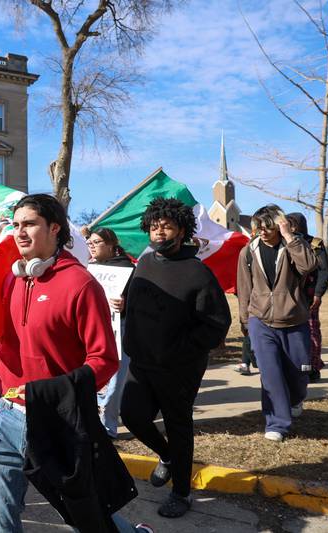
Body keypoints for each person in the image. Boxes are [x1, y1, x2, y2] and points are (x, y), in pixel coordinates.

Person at [0, 194, 149, 533]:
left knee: (86, 512)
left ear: (54, 229)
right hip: (6, 414)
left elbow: (104, 359)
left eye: (29, 224)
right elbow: (6, 343)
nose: (19, 232)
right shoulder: (15, 279)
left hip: (55, 420)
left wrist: (58, 395)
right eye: (16, 225)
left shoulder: (81, 284)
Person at [121, 197, 231, 519]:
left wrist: (181, 349)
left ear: (181, 230)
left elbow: (216, 324)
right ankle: (168, 456)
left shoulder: (198, 273)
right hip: (141, 363)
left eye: (166, 226)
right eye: (154, 227)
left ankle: (181, 492)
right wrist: (124, 305)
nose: (158, 232)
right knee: (133, 416)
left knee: (178, 427)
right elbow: (137, 300)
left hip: (179, 369)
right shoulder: (143, 263)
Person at [237, 206, 317, 443]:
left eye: (266, 226)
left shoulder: (293, 246)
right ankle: (277, 423)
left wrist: (290, 237)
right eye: (257, 227)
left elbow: (308, 266)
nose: (261, 231)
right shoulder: (248, 252)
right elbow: (244, 289)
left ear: (278, 225)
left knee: (299, 374)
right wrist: (245, 320)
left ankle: (295, 399)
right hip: (261, 320)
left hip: (294, 320)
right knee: (270, 374)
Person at [87, 227, 134, 439]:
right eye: (90, 243)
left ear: (110, 245)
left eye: (96, 242)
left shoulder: (127, 269)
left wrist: (125, 304)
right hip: (92, 330)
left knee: (115, 378)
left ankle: (108, 427)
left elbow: (140, 302)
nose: (92, 246)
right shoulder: (88, 269)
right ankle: (92, 421)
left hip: (119, 330)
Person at [286, 212, 328, 382]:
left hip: (309, 297)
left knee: (312, 332)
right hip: (290, 297)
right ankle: (297, 367)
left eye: (289, 224)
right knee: (293, 334)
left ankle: (313, 368)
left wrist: (318, 294)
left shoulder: (315, 244)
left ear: (296, 225)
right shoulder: (286, 243)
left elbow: (324, 270)